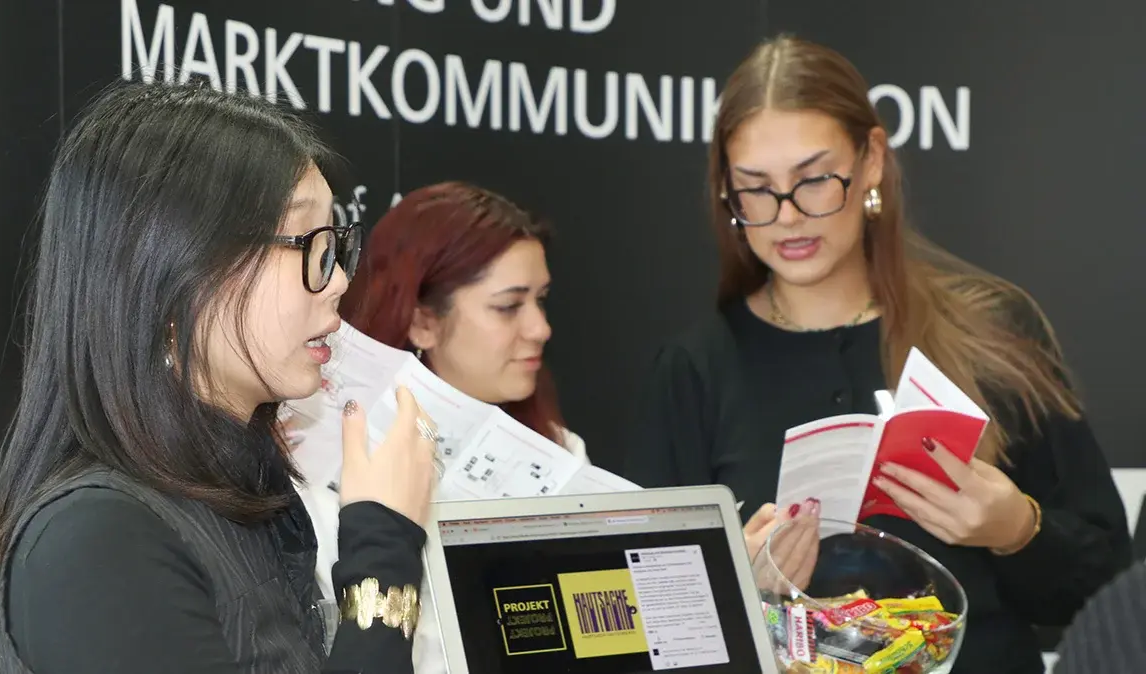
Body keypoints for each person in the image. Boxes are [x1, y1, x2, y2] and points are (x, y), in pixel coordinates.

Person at [622, 35, 1132, 674]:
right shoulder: (693, 370)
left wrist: (1015, 529)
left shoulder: (992, 329)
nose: (787, 216)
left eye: (813, 180)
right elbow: (646, 625)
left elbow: (1110, 584)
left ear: (871, 160)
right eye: (755, 189)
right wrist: (740, 589)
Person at [0, 82, 439, 674]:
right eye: (311, 246)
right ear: (178, 266)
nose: (337, 283)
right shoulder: (97, 538)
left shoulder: (246, 501)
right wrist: (383, 555)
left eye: (337, 247)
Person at [281, 181, 585, 674]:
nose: (540, 328)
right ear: (422, 321)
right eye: (509, 306)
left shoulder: (560, 451)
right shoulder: (340, 469)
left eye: (541, 300)